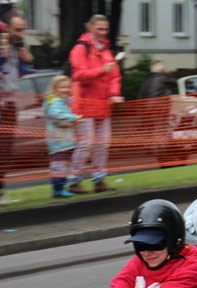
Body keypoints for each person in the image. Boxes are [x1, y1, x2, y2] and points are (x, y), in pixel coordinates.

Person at [106, 200, 197, 288]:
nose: (147, 253)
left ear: (173, 241)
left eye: (154, 245)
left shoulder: (194, 271)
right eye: (140, 245)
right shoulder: (140, 260)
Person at [67, 14, 123, 195]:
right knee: (86, 143)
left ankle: (99, 180)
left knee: (102, 144)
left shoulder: (106, 51)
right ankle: (74, 180)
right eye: (99, 29)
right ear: (89, 28)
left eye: (105, 29)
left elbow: (115, 76)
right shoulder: (80, 49)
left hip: (102, 104)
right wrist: (101, 71)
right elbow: (79, 76)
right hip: (85, 104)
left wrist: (114, 94)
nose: (102, 32)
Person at [0, 13, 36, 204]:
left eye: (23, 29)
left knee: (5, 150)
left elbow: (25, 66)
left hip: (11, 102)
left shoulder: (18, 46)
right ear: (5, 28)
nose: (20, 34)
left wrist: (28, 59)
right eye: (17, 30)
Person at [44, 75, 80, 198]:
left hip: (65, 141)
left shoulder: (62, 102)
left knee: (63, 165)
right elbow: (56, 115)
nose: (66, 90)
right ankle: (58, 190)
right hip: (59, 141)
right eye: (62, 87)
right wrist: (74, 118)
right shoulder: (55, 102)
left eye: (68, 87)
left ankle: (60, 188)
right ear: (55, 88)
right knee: (59, 166)